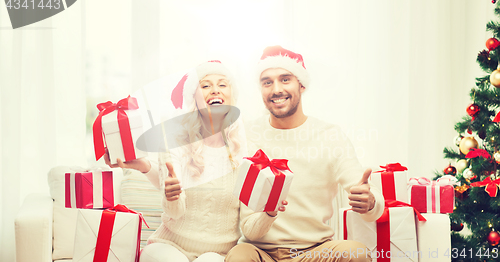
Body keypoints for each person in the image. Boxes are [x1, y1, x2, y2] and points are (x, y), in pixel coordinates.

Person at [225, 46, 385, 262]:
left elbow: (369, 195)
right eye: (267, 82)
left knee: (355, 253)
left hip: (314, 251)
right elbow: (246, 222)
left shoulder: (329, 136)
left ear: (301, 85)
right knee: (238, 258)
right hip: (259, 251)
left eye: (285, 79)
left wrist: (371, 201)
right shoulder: (246, 135)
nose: (276, 89)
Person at [105, 61, 246, 262]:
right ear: (194, 99)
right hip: (170, 245)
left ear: (232, 96)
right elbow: (175, 211)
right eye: (205, 85)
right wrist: (172, 196)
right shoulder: (176, 142)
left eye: (223, 84)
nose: (215, 90)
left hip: (219, 254)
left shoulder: (245, 149)